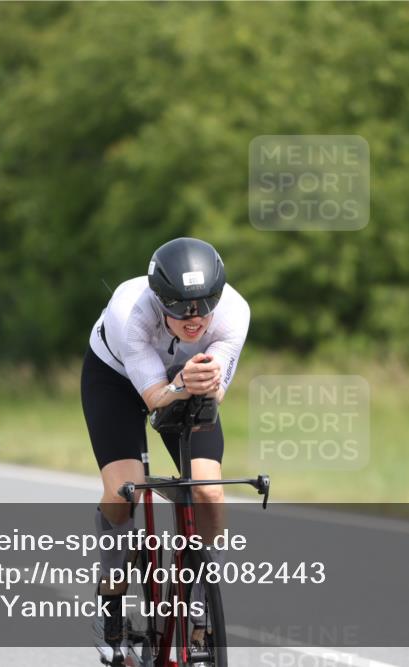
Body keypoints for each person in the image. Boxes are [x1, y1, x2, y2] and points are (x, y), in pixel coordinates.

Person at [80, 237, 250, 656]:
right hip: (117, 379)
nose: (194, 320)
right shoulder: (129, 312)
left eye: (203, 306)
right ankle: (111, 594)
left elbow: (216, 393)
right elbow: (154, 397)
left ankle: (199, 609)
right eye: (179, 308)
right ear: (160, 300)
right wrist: (180, 383)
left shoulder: (234, 311)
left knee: (208, 490)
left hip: (186, 381)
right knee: (125, 489)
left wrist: (198, 383)